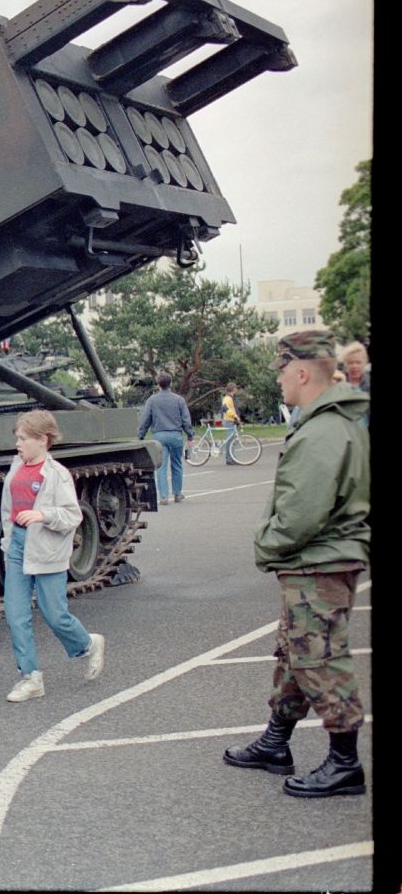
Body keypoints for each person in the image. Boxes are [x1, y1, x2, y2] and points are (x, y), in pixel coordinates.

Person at [223, 330, 370, 798]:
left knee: (320, 659)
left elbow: (301, 513)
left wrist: (265, 546)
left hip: (318, 562)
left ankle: (345, 763)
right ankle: (276, 741)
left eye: (283, 370)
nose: (280, 380)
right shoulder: (328, 422)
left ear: (303, 372)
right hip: (318, 561)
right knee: (295, 655)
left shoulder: (324, 430)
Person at [0, 409, 106, 702]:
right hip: (19, 547)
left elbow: (73, 515)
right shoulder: (15, 467)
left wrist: (42, 514)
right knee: (15, 615)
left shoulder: (57, 475)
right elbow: (8, 510)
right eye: (17, 438)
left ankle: (88, 644)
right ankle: (31, 678)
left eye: (23, 438)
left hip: (46, 549)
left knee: (54, 614)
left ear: (43, 440)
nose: (18, 444)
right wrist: (10, 541)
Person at [137, 372, 195, 505]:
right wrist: (190, 435)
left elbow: (145, 420)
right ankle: (177, 494)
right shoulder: (179, 400)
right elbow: (186, 420)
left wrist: (140, 436)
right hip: (176, 435)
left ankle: (163, 496)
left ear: (158, 385)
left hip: (159, 437)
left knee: (161, 467)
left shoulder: (152, 400)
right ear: (171, 384)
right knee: (177, 465)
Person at [218, 382, 243, 465]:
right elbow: (225, 408)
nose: (237, 389)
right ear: (233, 389)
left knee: (232, 440)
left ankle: (232, 458)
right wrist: (235, 416)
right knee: (230, 440)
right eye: (236, 388)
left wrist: (236, 417)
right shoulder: (227, 398)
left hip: (231, 420)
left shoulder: (232, 398)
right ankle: (229, 459)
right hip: (228, 420)